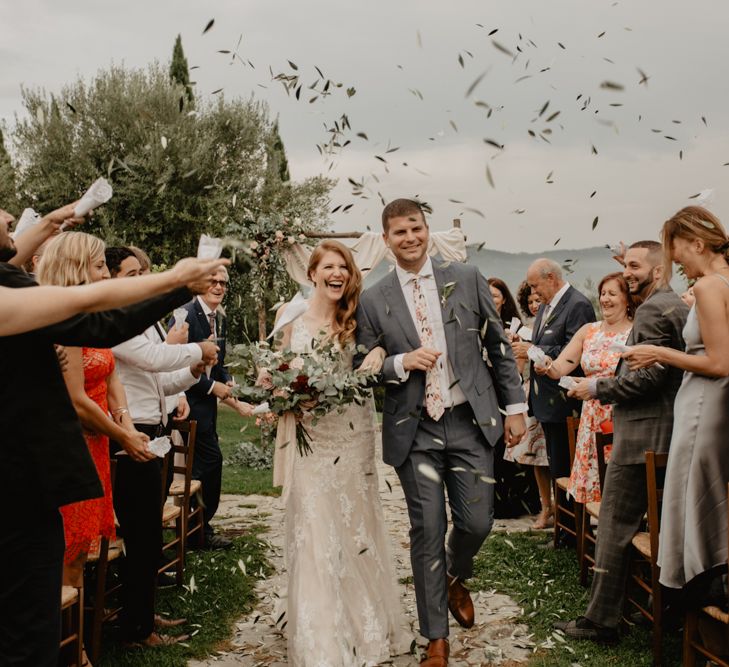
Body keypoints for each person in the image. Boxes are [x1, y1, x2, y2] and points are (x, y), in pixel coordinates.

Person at [0, 207, 229, 665]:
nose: (10, 219)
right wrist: (176, 281)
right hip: (15, 492)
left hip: (26, 490)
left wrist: (51, 223)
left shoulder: (8, 281)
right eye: (5, 221)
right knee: (26, 634)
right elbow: (92, 313)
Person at [356, 199, 526, 667]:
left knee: (477, 522)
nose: (409, 238)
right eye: (399, 233)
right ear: (386, 240)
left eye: (415, 229)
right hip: (415, 431)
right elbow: (361, 365)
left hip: (470, 421)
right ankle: (437, 640)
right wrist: (397, 363)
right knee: (426, 528)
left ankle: (454, 574)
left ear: (427, 230)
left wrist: (515, 407)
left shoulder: (466, 278)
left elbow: (498, 346)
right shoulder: (374, 298)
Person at [273, 239, 405, 666]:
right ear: (311, 273)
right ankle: (321, 631)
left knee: (355, 523)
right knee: (314, 527)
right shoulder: (289, 317)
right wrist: (288, 394)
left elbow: (379, 347)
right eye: (329, 267)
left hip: (353, 432)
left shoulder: (357, 316)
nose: (337, 274)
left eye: (344, 268)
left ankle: (362, 619)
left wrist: (381, 352)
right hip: (311, 438)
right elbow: (273, 374)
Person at [555, 240, 688, 643]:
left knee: (612, 524)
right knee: (666, 527)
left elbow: (648, 378)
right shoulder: (677, 306)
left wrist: (595, 386)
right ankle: (663, 611)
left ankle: (602, 621)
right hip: (671, 431)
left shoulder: (650, 310)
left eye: (633, 266)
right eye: (624, 265)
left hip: (641, 434)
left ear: (658, 270)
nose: (626, 272)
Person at [107, 246, 220, 647]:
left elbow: (162, 383)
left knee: (148, 536)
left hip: (154, 432)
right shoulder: (113, 322)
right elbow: (153, 359)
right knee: (140, 537)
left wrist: (192, 370)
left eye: (143, 272)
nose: (140, 279)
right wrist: (196, 349)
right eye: (131, 274)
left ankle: (142, 615)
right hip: (130, 434)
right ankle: (135, 630)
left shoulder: (140, 321)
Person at [37, 234, 159, 595]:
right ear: (76, 268)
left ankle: (76, 643)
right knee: (67, 551)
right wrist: (122, 436)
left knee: (79, 554)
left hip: (97, 444)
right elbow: (76, 400)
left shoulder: (93, 318)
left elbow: (110, 373)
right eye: (100, 265)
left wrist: (125, 419)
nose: (106, 273)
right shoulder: (65, 321)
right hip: (69, 448)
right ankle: (68, 649)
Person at [622, 207, 729, 601]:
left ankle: (696, 583)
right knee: (707, 490)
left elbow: (719, 362)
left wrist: (657, 353)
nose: (675, 259)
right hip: (714, 401)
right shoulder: (723, 281)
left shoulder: (708, 287)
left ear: (697, 243)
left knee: (693, 489)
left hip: (705, 401)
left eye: (676, 248)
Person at [541, 273, 633, 503]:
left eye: (612, 293)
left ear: (627, 299)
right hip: (591, 418)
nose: (605, 299)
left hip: (621, 413)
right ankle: (592, 537)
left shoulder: (636, 332)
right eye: (603, 293)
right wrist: (547, 366)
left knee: (620, 487)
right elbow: (561, 366)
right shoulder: (588, 331)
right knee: (594, 487)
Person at [175, 266, 250, 549]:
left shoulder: (219, 318)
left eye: (223, 283)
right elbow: (175, 362)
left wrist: (228, 385)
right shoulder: (184, 314)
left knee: (205, 465)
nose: (218, 287)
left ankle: (198, 528)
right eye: (213, 282)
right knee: (207, 464)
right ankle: (198, 530)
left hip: (208, 408)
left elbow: (217, 367)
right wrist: (211, 388)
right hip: (187, 403)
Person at [511, 259, 596, 487]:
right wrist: (525, 344)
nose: (533, 291)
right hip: (546, 402)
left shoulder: (578, 304)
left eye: (535, 285)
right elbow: (544, 341)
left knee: (567, 469)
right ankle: (560, 518)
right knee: (556, 467)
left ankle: (573, 519)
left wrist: (533, 350)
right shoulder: (547, 306)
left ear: (551, 278)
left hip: (564, 401)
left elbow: (579, 349)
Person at [487, 277, 541, 518]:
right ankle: (494, 499)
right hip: (486, 391)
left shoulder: (516, 327)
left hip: (510, 388)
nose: (491, 300)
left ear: (504, 299)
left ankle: (519, 500)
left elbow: (520, 364)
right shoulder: (479, 324)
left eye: (495, 296)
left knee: (512, 446)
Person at [505, 280, 552, 528]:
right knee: (536, 456)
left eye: (538, 300)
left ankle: (559, 505)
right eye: (530, 301)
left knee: (553, 456)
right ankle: (546, 507)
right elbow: (517, 369)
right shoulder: (524, 330)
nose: (535, 305)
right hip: (530, 391)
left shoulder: (550, 326)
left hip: (551, 392)